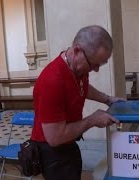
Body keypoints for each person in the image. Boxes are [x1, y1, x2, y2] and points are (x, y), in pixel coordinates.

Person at [30, 25, 123, 180]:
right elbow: (55, 137)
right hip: (52, 152)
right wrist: (93, 120)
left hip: (68, 143)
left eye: (100, 64)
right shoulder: (52, 81)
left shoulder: (77, 69)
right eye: (94, 64)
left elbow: (84, 88)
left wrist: (108, 99)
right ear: (77, 51)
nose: (96, 70)